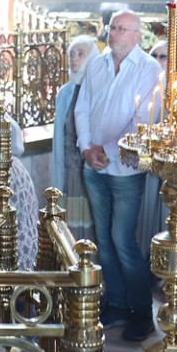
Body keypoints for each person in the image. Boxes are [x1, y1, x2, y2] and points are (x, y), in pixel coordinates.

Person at [74, 10, 164, 342]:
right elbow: (82, 108)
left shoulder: (149, 69)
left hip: (125, 168)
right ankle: (116, 303)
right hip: (93, 164)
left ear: (138, 35)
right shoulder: (97, 63)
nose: (114, 33)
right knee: (104, 241)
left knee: (123, 241)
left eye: (122, 29)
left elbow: (143, 120)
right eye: (112, 27)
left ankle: (141, 313)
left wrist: (106, 151)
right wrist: (87, 148)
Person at [51, 36, 99, 238]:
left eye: (81, 54)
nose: (74, 59)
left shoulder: (98, 88)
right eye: (71, 54)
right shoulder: (65, 92)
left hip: (91, 171)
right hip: (69, 170)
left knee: (91, 228)